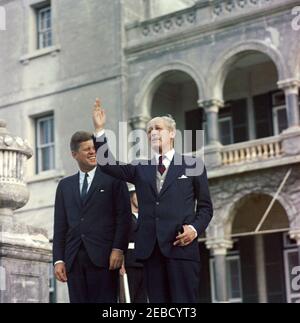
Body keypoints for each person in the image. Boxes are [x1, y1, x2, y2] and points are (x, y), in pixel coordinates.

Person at [92, 99, 213, 303]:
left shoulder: (193, 164)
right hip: (151, 252)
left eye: (158, 128)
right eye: (149, 130)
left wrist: (193, 229)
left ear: (172, 133)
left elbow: (205, 208)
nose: (152, 132)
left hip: (181, 248)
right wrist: (99, 130)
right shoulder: (141, 167)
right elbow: (107, 164)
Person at [52, 131, 131, 303]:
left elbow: (123, 217)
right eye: (87, 149)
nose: (92, 152)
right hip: (74, 261)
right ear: (74, 154)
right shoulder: (64, 186)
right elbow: (60, 226)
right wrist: (58, 260)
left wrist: (118, 248)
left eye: (94, 148)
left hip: (104, 258)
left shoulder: (114, 178)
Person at [119, 184, 147, 303]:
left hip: (145, 263)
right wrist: (121, 264)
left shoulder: (145, 218)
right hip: (130, 263)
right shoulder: (124, 218)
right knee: (129, 297)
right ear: (130, 196)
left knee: (143, 299)